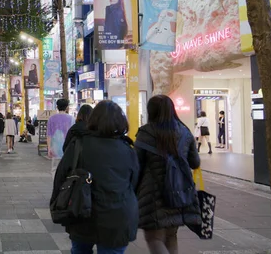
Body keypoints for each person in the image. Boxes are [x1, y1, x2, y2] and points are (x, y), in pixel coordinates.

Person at [52, 100, 139, 254]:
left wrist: (57, 205)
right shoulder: (128, 149)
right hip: (118, 217)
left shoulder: (79, 144)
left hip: (82, 212)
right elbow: (134, 183)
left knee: (80, 250)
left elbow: (61, 177)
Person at [135, 95, 201, 254]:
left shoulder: (146, 132)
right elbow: (195, 163)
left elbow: (136, 165)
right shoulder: (184, 131)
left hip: (152, 196)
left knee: (154, 238)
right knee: (171, 236)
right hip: (179, 192)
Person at [47, 99, 75, 177]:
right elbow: (73, 135)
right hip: (67, 149)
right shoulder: (71, 119)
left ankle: (55, 186)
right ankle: (64, 187)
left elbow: (49, 135)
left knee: (54, 169)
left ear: (57, 107)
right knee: (67, 170)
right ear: (66, 107)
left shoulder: (51, 119)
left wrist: (49, 148)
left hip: (55, 149)